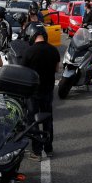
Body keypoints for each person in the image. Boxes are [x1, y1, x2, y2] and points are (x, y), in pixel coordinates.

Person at [21, 24, 60, 159]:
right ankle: (49, 148)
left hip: (33, 92)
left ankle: (36, 151)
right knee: (48, 120)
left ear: (31, 35)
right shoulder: (53, 50)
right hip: (48, 90)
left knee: (32, 120)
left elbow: (23, 72)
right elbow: (57, 69)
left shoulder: (28, 51)